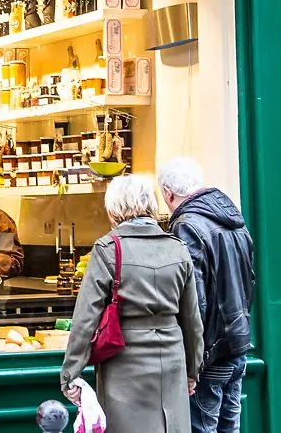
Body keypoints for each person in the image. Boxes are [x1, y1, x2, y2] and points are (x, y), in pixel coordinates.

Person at [60, 174, 203, 433]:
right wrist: (193, 370)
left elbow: (85, 319)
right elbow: (192, 319)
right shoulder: (178, 248)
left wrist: (71, 373)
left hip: (124, 363)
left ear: (114, 209)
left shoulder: (108, 249)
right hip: (171, 359)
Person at [158, 157, 255, 433]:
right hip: (237, 344)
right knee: (229, 428)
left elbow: (193, 301)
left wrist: (192, 361)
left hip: (211, 353)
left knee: (202, 428)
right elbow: (250, 282)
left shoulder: (186, 225)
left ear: (168, 192)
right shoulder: (232, 218)